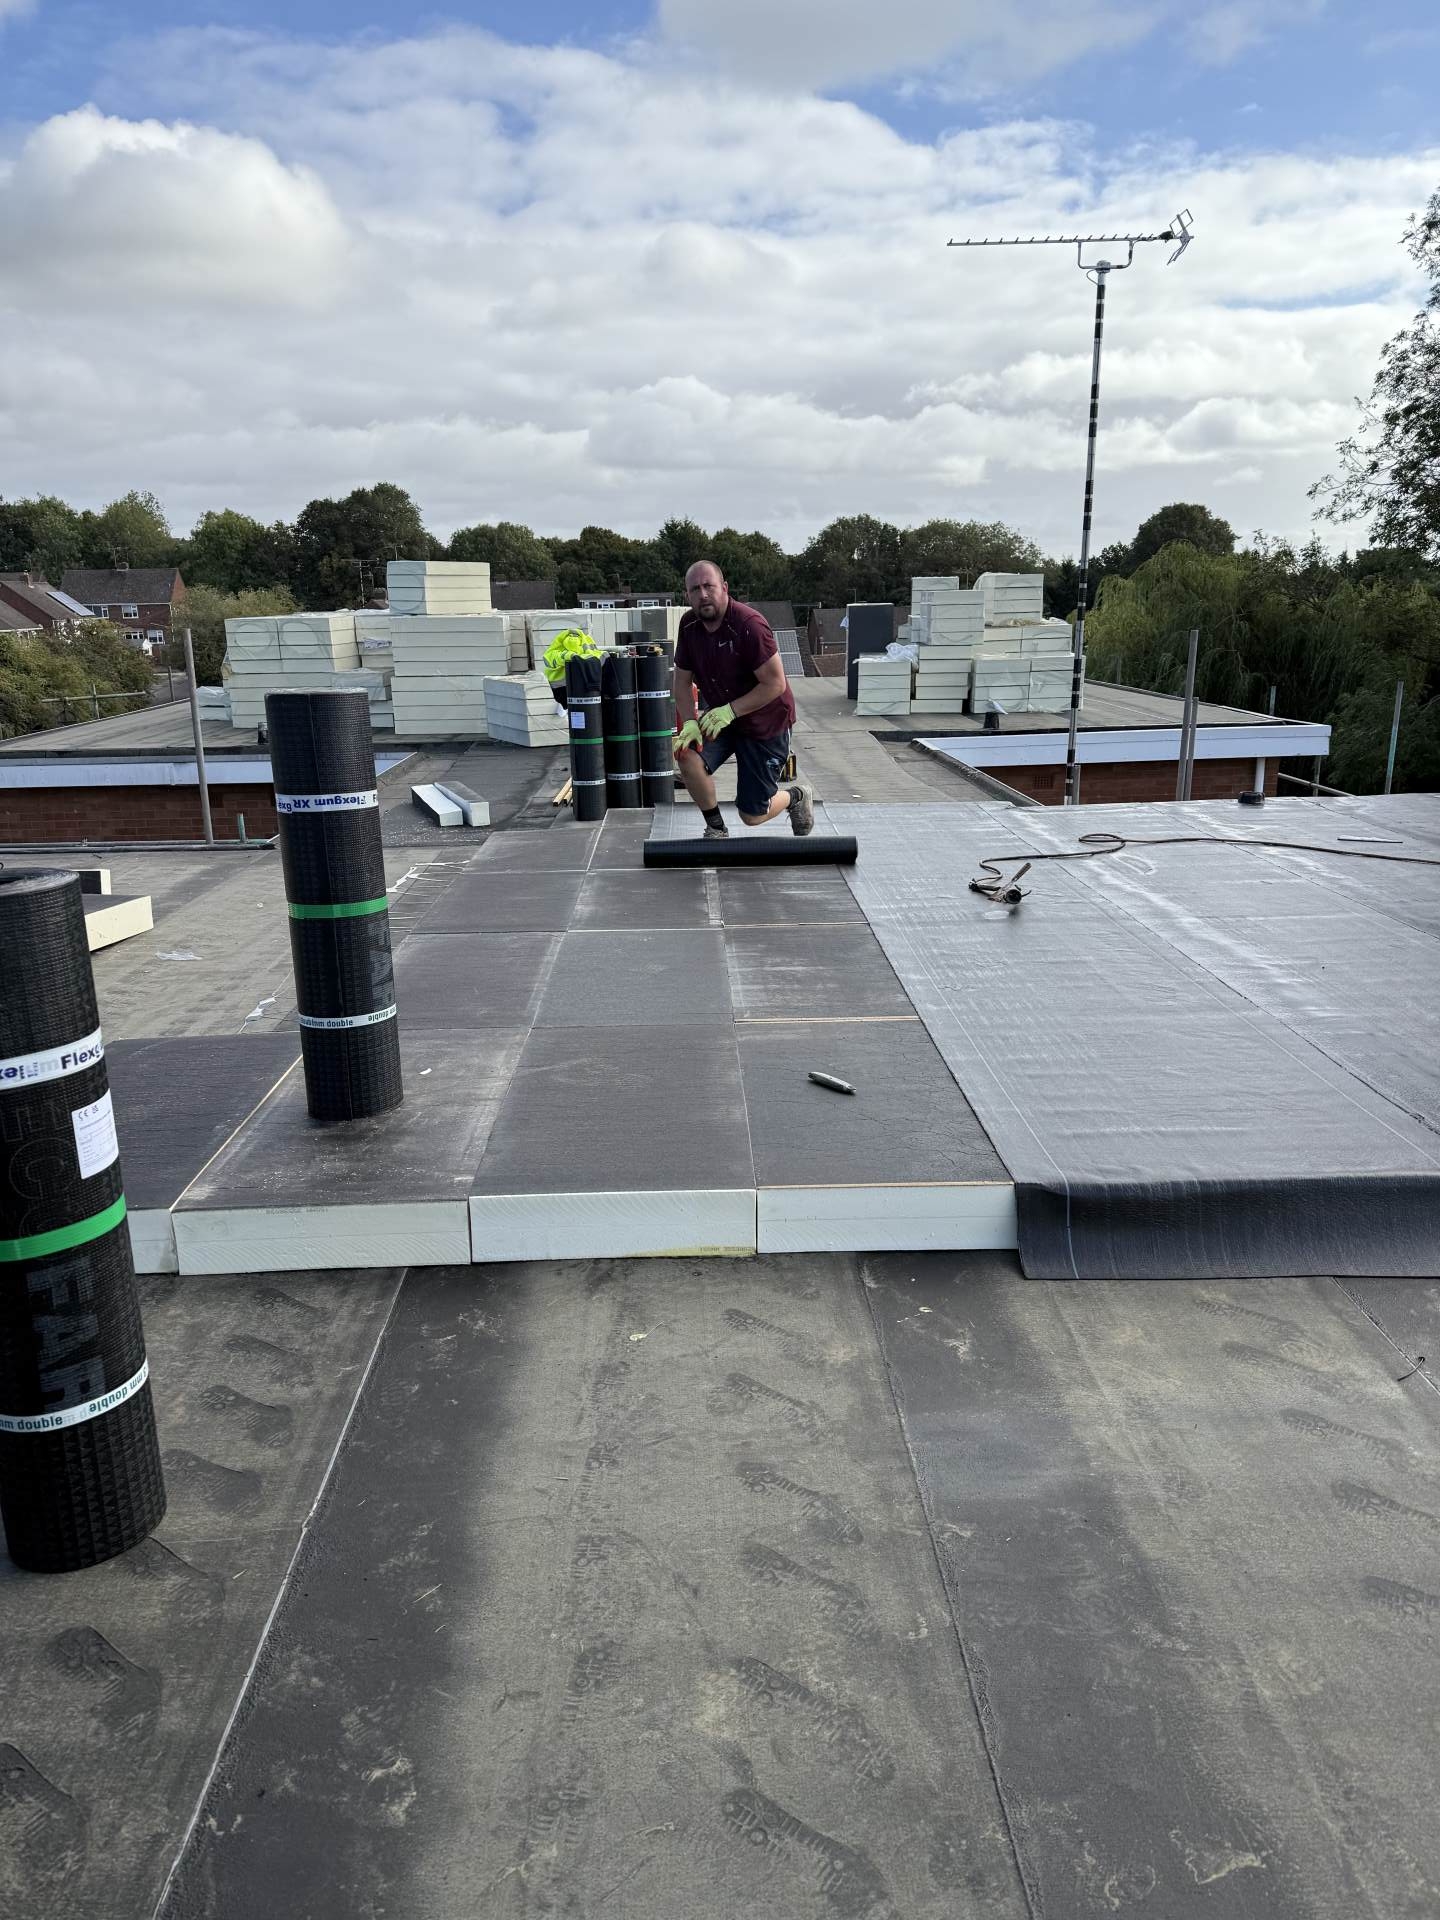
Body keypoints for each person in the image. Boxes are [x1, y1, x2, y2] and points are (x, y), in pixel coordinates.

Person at [671, 560, 814, 839]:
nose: (703, 594)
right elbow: (681, 682)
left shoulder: (749, 625)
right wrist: (689, 722)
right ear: (687, 595)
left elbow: (775, 683)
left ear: (724, 588)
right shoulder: (689, 626)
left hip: (765, 723)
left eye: (709, 586)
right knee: (686, 754)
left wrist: (730, 711)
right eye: (695, 589)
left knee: (752, 815)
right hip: (723, 718)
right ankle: (716, 828)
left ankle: (796, 796)